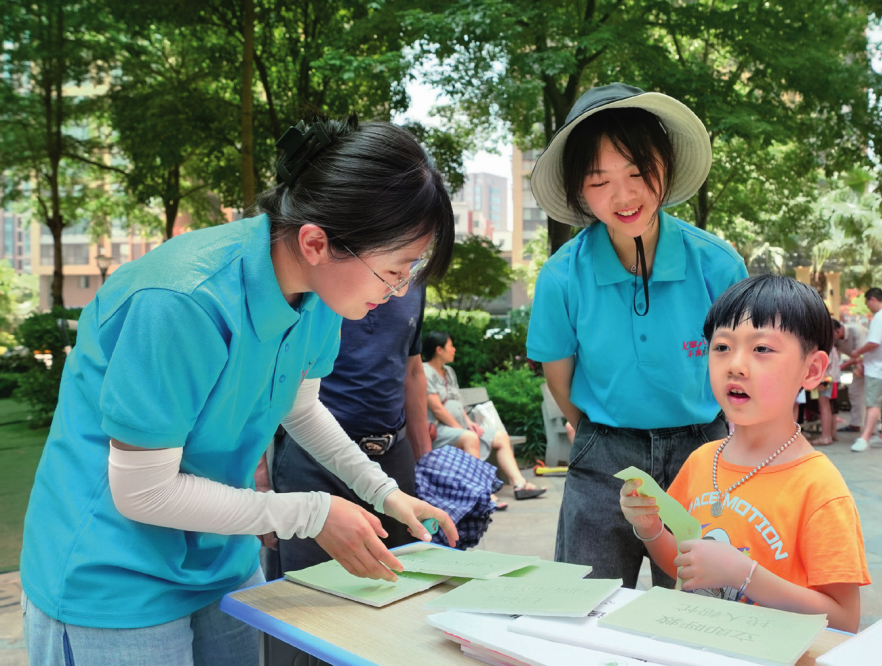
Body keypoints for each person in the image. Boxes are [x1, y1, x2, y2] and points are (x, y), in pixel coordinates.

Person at [19, 115, 459, 665]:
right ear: (316, 241)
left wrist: (383, 491)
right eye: (393, 270)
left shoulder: (319, 297)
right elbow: (143, 492)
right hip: (111, 575)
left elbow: (299, 407)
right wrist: (314, 513)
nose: (398, 292)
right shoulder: (182, 300)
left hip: (219, 558)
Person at [526, 83, 748, 587]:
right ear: (581, 190)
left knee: (698, 612)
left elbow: (745, 370)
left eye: (637, 171)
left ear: (664, 166)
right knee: (586, 606)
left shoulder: (717, 264)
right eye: (599, 180)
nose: (623, 196)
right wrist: (603, 435)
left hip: (703, 455)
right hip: (603, 457)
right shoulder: (562, 276)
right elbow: (560, 379)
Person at [620, 275, 870, 632]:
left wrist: (744, 575)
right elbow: (683, 566)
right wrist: (650, 528)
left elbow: (845, 619)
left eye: (762, 349)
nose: (735, 365)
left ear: (812, 370)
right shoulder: (702, 460)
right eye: (722, 347)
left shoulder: (819, 488)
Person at [263, 283, 433, 578]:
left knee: (398, 580)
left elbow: (413, 371)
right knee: (310, 591)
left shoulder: (410, 278)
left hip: (391, 453)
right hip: (311, 460)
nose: (403, 278)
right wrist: (260, 482)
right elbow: (274, 381)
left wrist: (426, 461)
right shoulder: (318, 283)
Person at [422, 330, 545, 506]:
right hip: (439, 431)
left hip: (460, 427)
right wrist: (461, 429)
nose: (454, 349)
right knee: (470, 437)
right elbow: (438, 409)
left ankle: (520, 483)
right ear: (439, 350)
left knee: (500, 437)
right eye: (451, 346)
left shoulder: (449, 371)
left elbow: (457, 403)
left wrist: (470, 423)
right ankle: (484, 494)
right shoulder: (425, 372)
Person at [848, 288, 882, 452]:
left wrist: (857, 352)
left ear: (872, 299)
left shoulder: (880, 316)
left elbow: (874, 342)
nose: (868, 308)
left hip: (877, 368)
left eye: (867, 303)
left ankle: (864, 438)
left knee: (872, 404)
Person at [815, 318, 843, 446]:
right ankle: (831, 433)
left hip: (825, 379)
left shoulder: (827, 346)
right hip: (833, 379)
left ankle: (825, 436)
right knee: (829, 407)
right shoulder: (833, 345)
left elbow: (824, 364)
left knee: (824, 407)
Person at [837, 320, 868, 432]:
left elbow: (860, 354)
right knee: (854, 392)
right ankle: (856, 423)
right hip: (858, 364)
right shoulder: (834, 339)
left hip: (871, 362)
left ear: (838, 330)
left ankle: (876, 424)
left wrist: (841, 366)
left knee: (872, 395)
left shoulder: (856, 330)